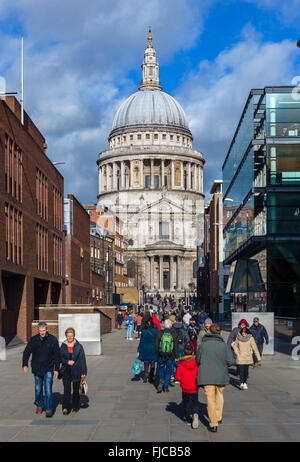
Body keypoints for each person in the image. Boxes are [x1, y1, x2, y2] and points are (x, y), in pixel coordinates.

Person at [196, 324, 235, 432]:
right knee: (219, 395)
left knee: (210, 399)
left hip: (207, 375)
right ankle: (218, 416)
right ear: (219, 333)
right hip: (221, 375)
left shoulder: (203, 345)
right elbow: (231, 361)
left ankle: (213, 423)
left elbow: (197, 360)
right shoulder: (224, 345)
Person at [22, 322, 60, 417]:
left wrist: (56, 369)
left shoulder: (53, 340)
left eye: (43, 331)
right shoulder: (33, 340)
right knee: (38, 389)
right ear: (38, 330)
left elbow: (57, 356)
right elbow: (26, 352)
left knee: (48, 389)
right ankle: (39, 405)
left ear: (47, 330)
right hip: (37, 368)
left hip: (48, 368)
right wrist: (25, 364)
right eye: (40, 331)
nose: (42, 333)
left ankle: (48, 409)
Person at [60, 327, 87, 414]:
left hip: (76, 370)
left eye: (71, 336)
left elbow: (82, 359)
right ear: (66, 336)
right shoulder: (63, 345)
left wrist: (84, 372)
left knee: (76, 390)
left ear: (74, 336)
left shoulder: (79, 346)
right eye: (68, 336)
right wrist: (67, 361)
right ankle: (65, 408)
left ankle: (75, 406)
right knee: (67, 390)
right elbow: (60, 358)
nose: (70, 338)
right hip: (66, 370)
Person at [175, 344, 199, 429]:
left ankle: (188, 419)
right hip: (195, 387)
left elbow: (177, 377)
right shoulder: (196, 363)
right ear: (193, 353)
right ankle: (195, 413)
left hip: (185, 387)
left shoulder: (181, 364)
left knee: (186, 403)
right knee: (195, 402)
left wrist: (183, 380)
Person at [155, 319, 179, 393]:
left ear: (164, 325)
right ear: (171, 326)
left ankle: (161, 380)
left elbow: (156, 345)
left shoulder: (159, 333)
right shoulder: (173, 334)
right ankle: (165, 387)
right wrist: (176, 356)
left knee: (161, 369)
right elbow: (175, 346)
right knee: (168, 371)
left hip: (161, 355)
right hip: (170, 356)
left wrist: (158, 353)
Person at [137, 317, 158, 384]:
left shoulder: (144, 332)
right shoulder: (156, 331)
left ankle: (146, 376)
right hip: (153, 350)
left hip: (145, 349)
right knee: (152, 363)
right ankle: (151, 377)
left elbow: (141, 342)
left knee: (146, 363)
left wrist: (139, 350)